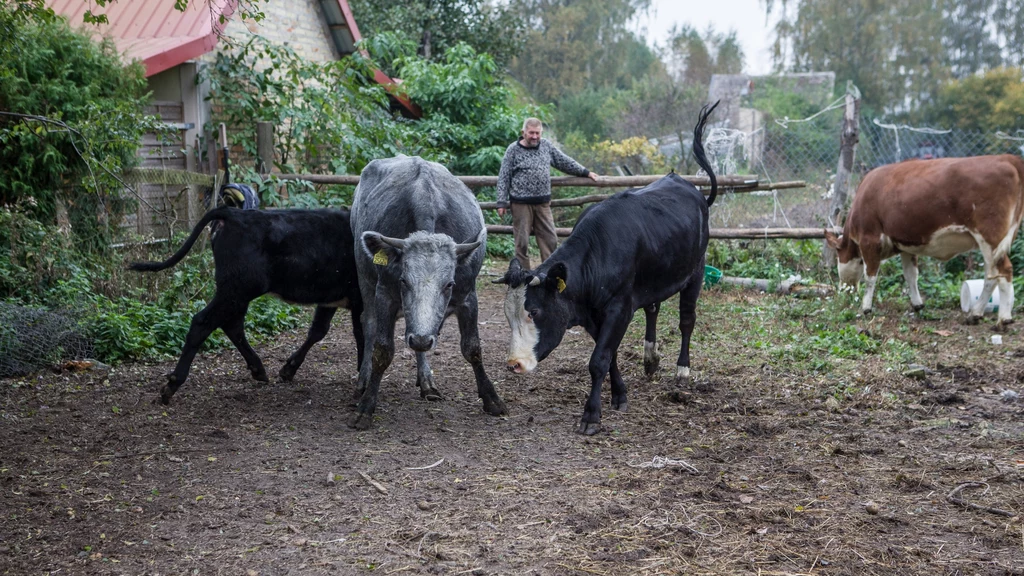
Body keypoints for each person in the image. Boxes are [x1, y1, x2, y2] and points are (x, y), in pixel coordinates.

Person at [496, 118, 600, 269]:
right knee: (522, 243)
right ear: (523, 132)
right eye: (531, 133)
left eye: (537, 133)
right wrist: (501, 202)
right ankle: (524, 276)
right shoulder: (513, 149)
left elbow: (564, 161)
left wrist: (586, 172)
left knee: (550, 240)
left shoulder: (546, 146)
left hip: (543, 204)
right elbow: (504, 176)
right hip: (520, 204)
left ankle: (549, 273)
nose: (534, 136)